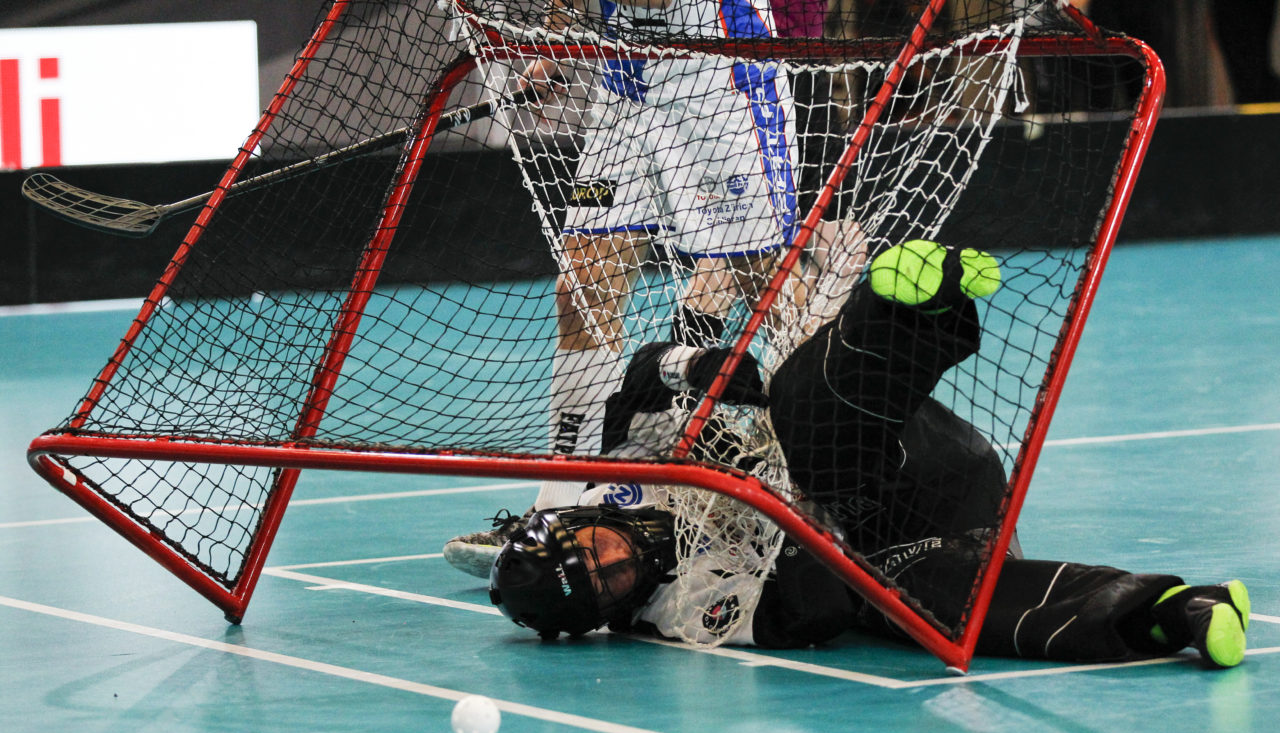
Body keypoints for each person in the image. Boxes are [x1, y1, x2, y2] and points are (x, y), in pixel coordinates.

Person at [488, 240, 1252, 668]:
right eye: (606, 586)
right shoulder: (685, 613)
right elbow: (814, 608)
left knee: (800, 408)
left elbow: (636, 376)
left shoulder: (598, 483)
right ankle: (1170, 613)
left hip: (896, 435)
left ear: (570, 526)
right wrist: (793, 511)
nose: (615, 565)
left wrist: (697, 366)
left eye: (592, 551)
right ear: (605, 617)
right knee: (932, 609)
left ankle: (906, 308)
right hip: (912, 520)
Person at [444, 0, 815, 574]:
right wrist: (554, 50)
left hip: (720, 89)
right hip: (627, 96)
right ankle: (560, 499)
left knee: (768, 285)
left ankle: (824, 485)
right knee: (580, 289)